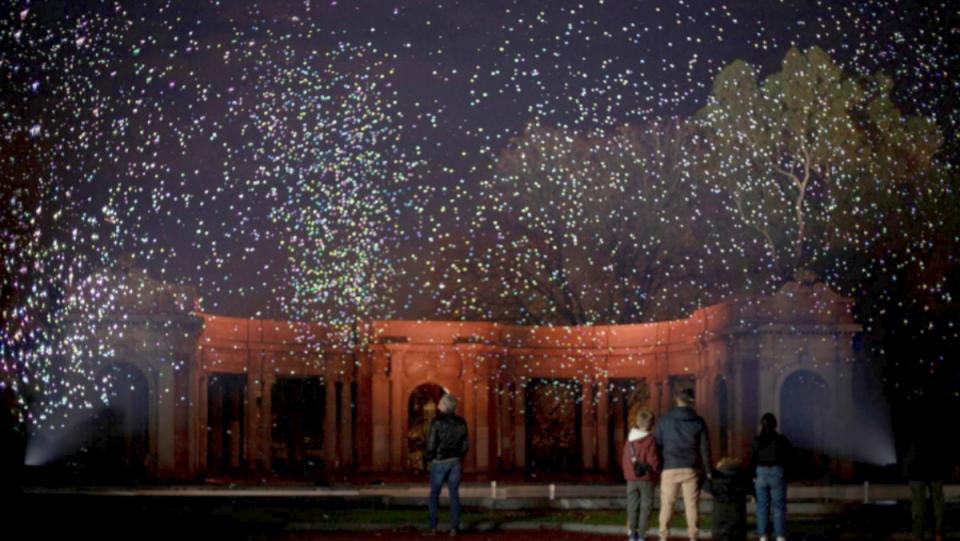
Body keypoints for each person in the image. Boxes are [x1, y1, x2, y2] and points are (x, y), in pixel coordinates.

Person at [656, 388, 712, 541]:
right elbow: (704, 448)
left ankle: (663, 536)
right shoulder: (698, 422)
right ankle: (693, 536)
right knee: (692, 504)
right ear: (690, 401)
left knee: (667, 504)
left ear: (676, 400)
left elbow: (658, 446)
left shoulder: (664, 421)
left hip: (669, 466)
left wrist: (660, 466)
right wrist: (708, 470)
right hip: (690, 467)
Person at [425, 393, 469, 536]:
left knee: (434, 495)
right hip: (454, 462)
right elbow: (465, 444)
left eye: (440, 403)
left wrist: (429, 457)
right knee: (454, 495)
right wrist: (458, 456)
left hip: (439, 462)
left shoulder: (436, 421)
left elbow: (431, 444)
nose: (437, 405)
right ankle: (454, 528)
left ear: (445, 405)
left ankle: (433, 527)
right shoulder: (461, 422)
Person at [750, 412, 792, 541]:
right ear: (775, 425)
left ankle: (763, 535)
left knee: (762, 506)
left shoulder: (757, 441)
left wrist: (753, 476)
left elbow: (753, 459)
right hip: (777, 472)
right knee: (779, 506)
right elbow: (788, 458)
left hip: (761, 473)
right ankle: (779, 535)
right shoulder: (782, 440)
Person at [622, 409, 661, 541]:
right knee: (646, 506)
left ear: (638, 422)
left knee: (632, 506)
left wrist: (628, 473)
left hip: (631, 478)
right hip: (646, 478)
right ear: (650, 424)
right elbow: (652, 460)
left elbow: (625, 458)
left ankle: (632, 534)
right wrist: (658, 470)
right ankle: (642, 535)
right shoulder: (650, 440)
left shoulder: (629, 439)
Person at [904, 429, 948, 541]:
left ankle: (918, 534)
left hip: (915, 460)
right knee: (937, 498)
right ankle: (938, 532)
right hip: (936, 458)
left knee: (918, 499)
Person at [705, 457, 753, 541]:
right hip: (738, 523)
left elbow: (705, 486)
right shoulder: (742, 479)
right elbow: (751, 488)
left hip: (719, 525)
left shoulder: (716, 480)